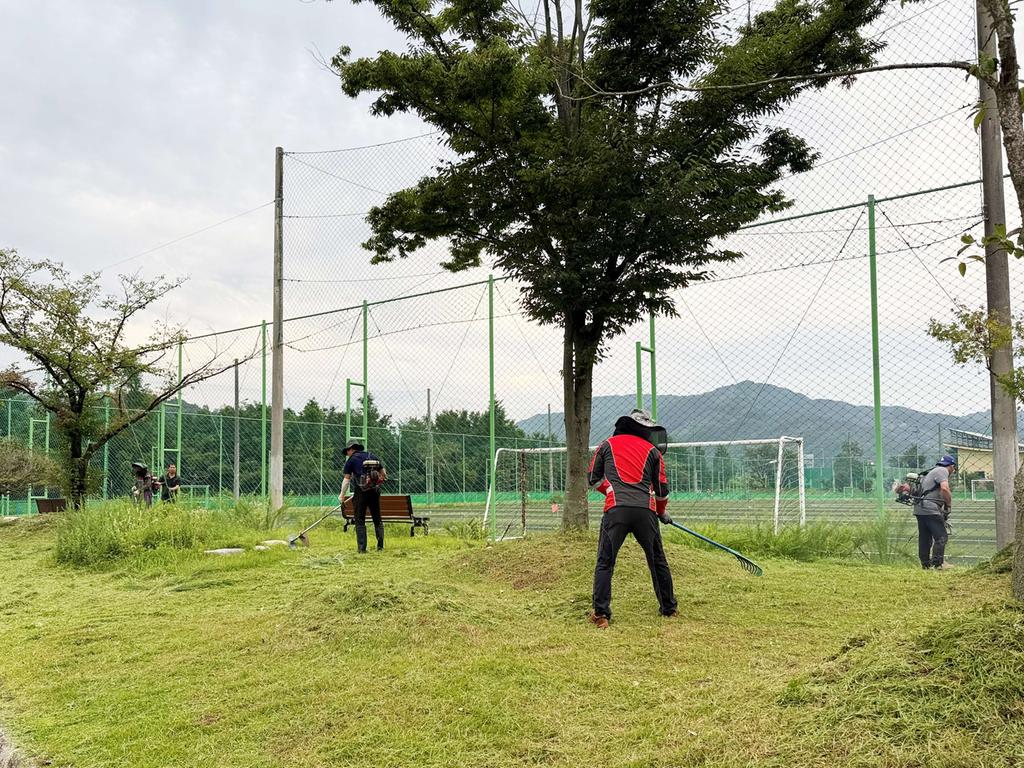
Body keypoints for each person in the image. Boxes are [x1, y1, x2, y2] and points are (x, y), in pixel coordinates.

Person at [588, 409, 677, 628]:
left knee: (605, 562)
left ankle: (601, 615)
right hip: (645, 512)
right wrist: (660, 510)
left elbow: (593, 478)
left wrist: (609, 490)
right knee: (657, 561)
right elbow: (662, 489)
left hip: (615, 510)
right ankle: (669, 609)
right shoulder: (653, 452)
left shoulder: (606, 445)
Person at [339, 440, 388, 553]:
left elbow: (346, 480)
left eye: (347, 452)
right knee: (377, 518)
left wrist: (342, 496)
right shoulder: (372, 456)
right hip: (375, 491)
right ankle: (380, 547)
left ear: (351, 449)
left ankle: (362, 549)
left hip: (361, 492)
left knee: (360, 519)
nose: (347, 454)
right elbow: (384, 474)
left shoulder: (351, 460)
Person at [914, 454, 956, 570]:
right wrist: (948, 505)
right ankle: (938, 564)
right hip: (930, 509)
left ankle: (925, 565)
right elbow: (944, 488)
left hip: (919, 508)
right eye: (954, 468)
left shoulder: (930, 472)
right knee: (941, 537)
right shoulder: (942, 471)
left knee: (925, 538)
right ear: (951, 466)